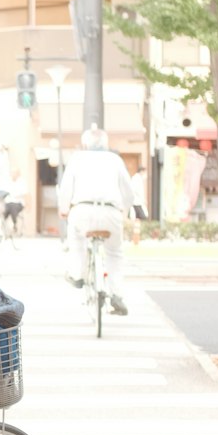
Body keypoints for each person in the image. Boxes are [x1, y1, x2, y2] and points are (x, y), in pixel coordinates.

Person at [57, 125, 134, 315]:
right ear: (106, 144)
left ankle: (78, 274)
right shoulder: (115, 160)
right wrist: (125, 208)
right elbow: (129, 192)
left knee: (76, 240)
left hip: (82, 210)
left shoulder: (77, 159)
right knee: (114, 254)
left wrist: (64, 208)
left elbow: (66, 187)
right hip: (111, 212)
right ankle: (117, 295)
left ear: (84, 143)